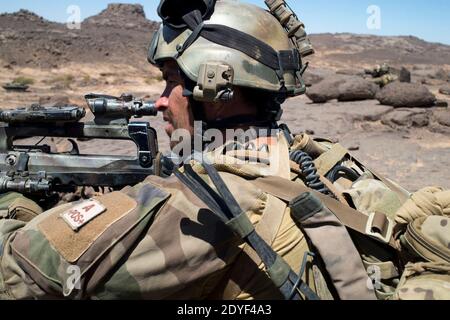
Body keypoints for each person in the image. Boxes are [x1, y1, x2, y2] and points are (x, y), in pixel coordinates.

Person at [0, 0, 448, 300]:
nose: (160, 100)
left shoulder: (205, 203)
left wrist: (14, 206)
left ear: (215, 86)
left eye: (171, 81)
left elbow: (22, 275)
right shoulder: (321, 157)